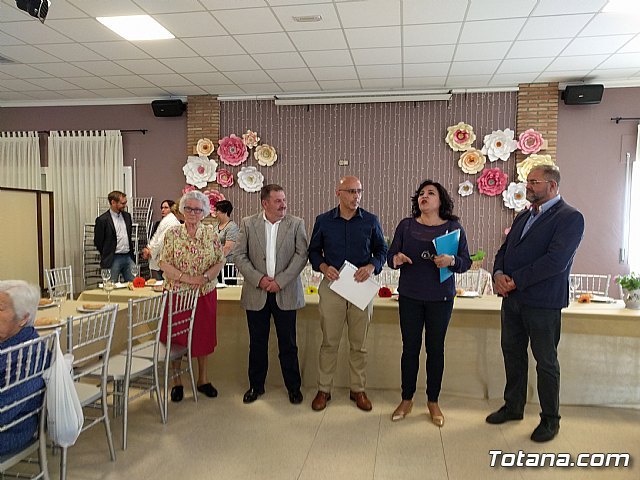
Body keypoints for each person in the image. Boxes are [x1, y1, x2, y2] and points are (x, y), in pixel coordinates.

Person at [486, 165, 584, 442]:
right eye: (527, 182)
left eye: (533, 182)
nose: (528, 186)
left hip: (543, 303)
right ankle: (514, 407)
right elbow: (504, 250)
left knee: (546, 362)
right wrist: (498, 275)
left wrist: (514, 280)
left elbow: (556, 261)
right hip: (512, 301)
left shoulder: (570, 217)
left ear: (552, 185)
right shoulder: (523, 216)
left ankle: (550, 419)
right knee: (512, 354)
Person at [386, 180, 471, 427]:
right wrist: (397, 258)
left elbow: (464, 262)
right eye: (421, 194)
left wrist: (451, 260)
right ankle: (406, 398)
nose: (424, 196)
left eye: (430, 193)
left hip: (441, 298)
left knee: (435, 350)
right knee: (409, 349)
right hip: (410, 296)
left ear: (440, 200)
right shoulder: (406, 225)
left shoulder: (454, 228)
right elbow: (390, 256)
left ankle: (433, 401)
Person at [308, 175, 387, 412]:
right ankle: (324, 389)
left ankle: (358, 389)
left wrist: (372, 266)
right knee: (329, 342)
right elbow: (313, 251)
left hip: (361, 288)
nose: (356, 196)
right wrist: (322, 266)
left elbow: (382, 249)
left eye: (359, 191)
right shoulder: (323, 220)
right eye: (351, 191)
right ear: (338, 193)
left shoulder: (371, 221)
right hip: (332, 287)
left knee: (359, 344)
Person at [233, 185, 308, 405]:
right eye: (278, 201)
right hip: (257, 293)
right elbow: (239, 255)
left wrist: (280, 281)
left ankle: (293, 388)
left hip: (286, 293)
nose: (283, 204)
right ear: (265, 203)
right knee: (257, 343)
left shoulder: (296, 224)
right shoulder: (248, 224)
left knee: (289, 344)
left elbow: (301, 255)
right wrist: (259, 279)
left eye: (284, 200)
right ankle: (256, 386)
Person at [159, 190, 225, 401]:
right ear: (182, 210)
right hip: (177, 294)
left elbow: (219, 261)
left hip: (204, 293)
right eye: (188, 208)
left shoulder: (211, 233)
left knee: (202, 337)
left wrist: (204, 278)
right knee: (176, 337)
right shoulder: (172, 234)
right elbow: (163, 263)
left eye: (197, 209)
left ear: (204, 212)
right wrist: (187, 278)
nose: (192, 213)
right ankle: (177, 381)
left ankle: (203, 379)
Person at [0, 280, 50, 455]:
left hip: (11, 429)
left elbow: (4, 410)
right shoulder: (10, 343)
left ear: (23, 318)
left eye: (0, 309)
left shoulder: (29, 354)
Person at [94, 190, 135, 282]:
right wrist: (107, 252)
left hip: (128, 256)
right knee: (110, 286)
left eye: (125, 202)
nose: (125, 205)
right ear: (113, 202)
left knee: (135, 284)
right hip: (113, 258)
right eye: (122, 203)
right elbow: (98, 241)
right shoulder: (102, 220)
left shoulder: (127, 216)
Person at [142, 200, 180, 280]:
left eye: (166, 208)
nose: (163, 210)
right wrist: (149, 248)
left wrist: (150, 251)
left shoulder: (171, 221)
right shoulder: (169, 221)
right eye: (162, 208)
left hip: (165, 258)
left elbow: (160, 240)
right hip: (162, 258)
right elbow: (158, 238)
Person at [213, 200, 240, 284]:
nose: (216, 213)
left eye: (217, 210)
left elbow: (228, 247)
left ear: (225, 212)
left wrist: (217, 259)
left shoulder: (232, 227)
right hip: (217, 264)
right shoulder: (216, 226)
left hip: (227, 265)